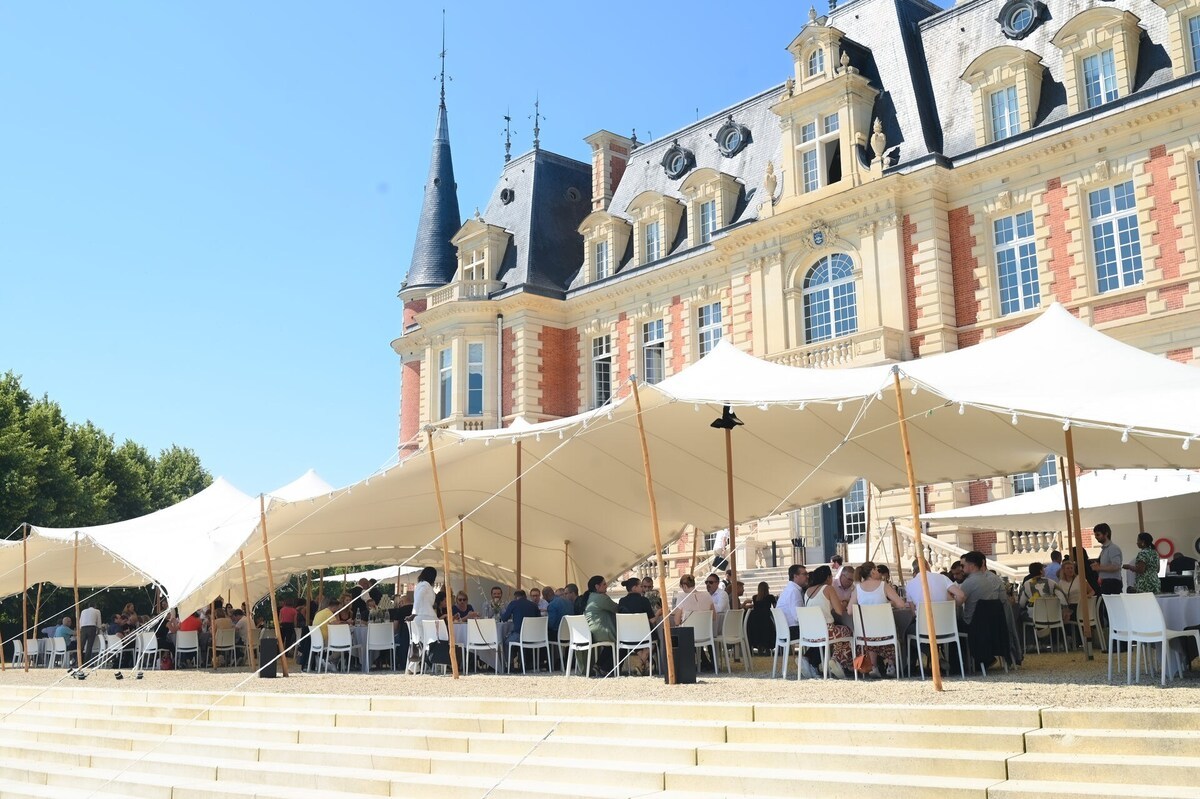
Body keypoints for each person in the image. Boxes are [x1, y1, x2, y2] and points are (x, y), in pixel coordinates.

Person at [848, 561, 906, 676]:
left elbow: (849, 611)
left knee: (871, 634)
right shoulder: (883, 585)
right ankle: (890, 664)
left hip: (865, 634)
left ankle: (873, 666)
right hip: (885, 632)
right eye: (877, 570)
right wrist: (890, 603)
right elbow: (901, 604)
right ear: (873, 571)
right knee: (895, 629)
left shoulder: (857, 588)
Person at [802, 565, 852, 678]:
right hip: (827, 630)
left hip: (810, 631)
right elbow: (839, 611)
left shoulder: (807, 592)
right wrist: (844, 604)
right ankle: (837, 661)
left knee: (840, 633)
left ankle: (834, 660)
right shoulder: (828, 588)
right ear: (828, 577)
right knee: (847, 631)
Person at [583, 575, 620, 675]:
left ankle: (599, 665)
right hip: (600, 631)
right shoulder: (600, 598)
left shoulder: (591, 597)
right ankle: (607, 668)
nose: (606, 586)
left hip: (591, 630)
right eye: (604, 584)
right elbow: (617, 608)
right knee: (621, 642)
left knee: (610, 645)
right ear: (597, 586)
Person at [1089, 523, 1124, 595]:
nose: (1096, 537)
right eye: (1095, 535)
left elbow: (1116, 566)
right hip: (1106, 582)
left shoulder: (1113, 548)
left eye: (1098, 534)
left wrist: (1099, 567)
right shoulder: (1104, 550)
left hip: (1112, 583)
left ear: (1106, 534)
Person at [776, 564, 808, 640]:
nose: (807, 577)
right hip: (792, 630)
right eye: (804, 574)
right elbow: (798, 616)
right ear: (795, 576)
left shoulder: (789, 589)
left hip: (784, 630)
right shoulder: (793, 591)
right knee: (821, 629)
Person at [746, 581, 776, 655]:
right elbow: (775, 607)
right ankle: (767, 648)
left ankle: (759, 648)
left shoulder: (755, 597)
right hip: (766, 618)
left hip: (756, 619)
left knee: (759, 633)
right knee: (767, 632)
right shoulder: (770, 597)